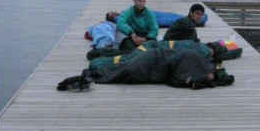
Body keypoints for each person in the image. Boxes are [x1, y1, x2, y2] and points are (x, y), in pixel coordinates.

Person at [57, 48, 234, 91]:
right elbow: (174, 80)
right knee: (124, 72)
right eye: (211, 77)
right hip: (154, 61)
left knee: (124, 73)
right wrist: (195, 84)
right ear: (212, 71)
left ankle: (89, 76)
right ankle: (88, 75)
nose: (210, 78)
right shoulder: (195, 62)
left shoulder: (200, 69)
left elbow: (175, 80)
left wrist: (200, 84)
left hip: (155, 64)